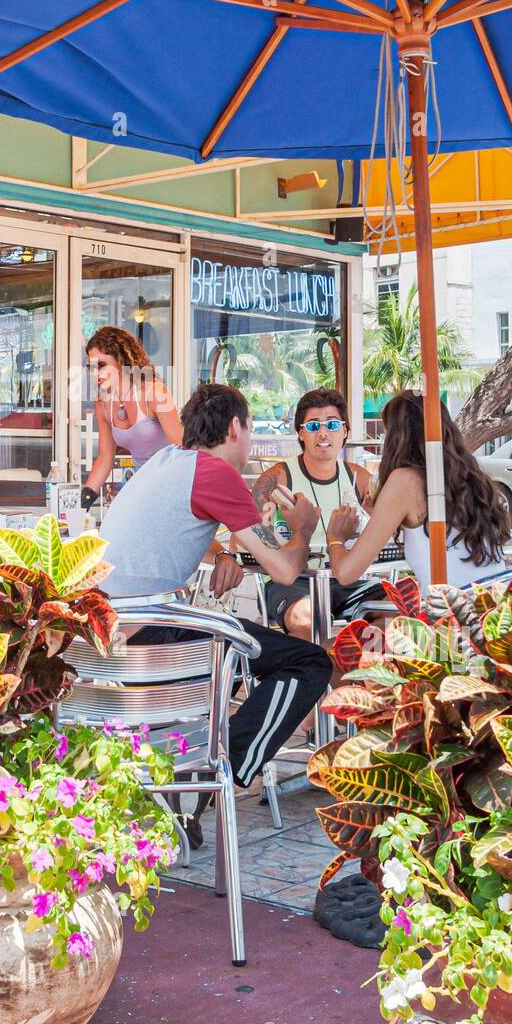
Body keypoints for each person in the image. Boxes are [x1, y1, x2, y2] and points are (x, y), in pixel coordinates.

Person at [98, 383, 332, 826]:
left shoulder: (164, 463)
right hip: (152, 634)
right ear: (234, 427)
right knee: (309, 663)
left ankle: (200, 774)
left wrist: (223, 553)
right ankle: (226, 764)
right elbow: (284, 570)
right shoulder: (216, 473)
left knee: (233, 638)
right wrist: (302, 527)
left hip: (110, 636)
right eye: (250, 428)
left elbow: (170, 533)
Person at [326, 390, 510, 593]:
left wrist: (335, 537)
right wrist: (380, 514)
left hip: (451, 614)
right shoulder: (471, 478)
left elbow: (345, 572)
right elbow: (443, 543)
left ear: (398, 437)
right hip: (496, 607)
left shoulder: (405, 481)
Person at [249, 388, 384, 639]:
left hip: (347, 579)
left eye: (332, 424)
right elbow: (250, 534)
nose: (323, 433)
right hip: (292, 582)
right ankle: (324, 671)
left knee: (395, 610)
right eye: (313, 426)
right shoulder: (277, 478)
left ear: (344, 432)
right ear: (300, 433)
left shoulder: (359, 478)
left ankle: (353, 673)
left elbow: (388, 530)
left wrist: (371, 519)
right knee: (305, 619)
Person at [80, 326, 182, 509]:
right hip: (143, 489)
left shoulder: (154, 392)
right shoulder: (103, 404)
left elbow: (183, 449)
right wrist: (87, 494)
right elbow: (105, 457)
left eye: (101, 365)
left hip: (174, 486)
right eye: (91, 367)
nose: (95, 373)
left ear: (121, 359)